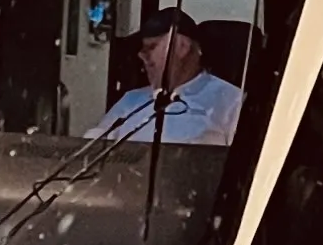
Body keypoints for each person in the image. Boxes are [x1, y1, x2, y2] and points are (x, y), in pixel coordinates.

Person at [97, 8, 244, 145]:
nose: (142, 56)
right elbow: (92, 148)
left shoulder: (230, 101)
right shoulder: (131, 101)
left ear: (182, 47)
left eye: (151, 47)